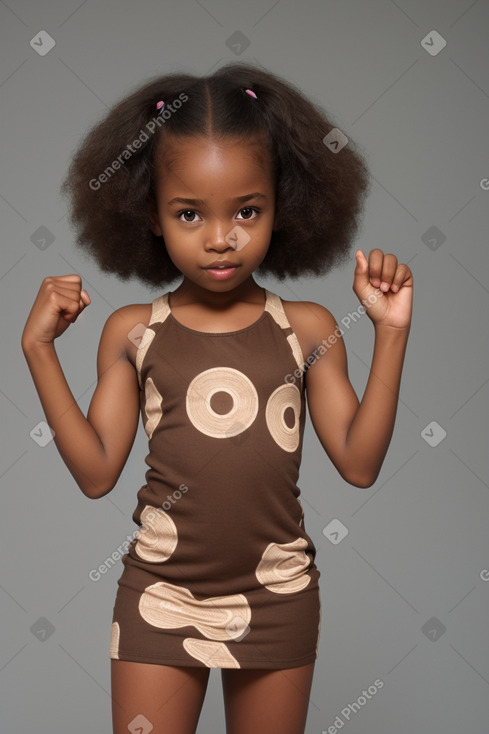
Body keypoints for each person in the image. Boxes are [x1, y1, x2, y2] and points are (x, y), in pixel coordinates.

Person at [21, 62, 413, 734]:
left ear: (282, 204)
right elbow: (94, 475)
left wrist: (391, 334)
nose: (220, 236)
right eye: (189, 213)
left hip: (277, 594)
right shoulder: (133, 333)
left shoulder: (308, 329)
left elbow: (358, 462)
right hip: (160, 595)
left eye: (246, 210)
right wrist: (38, 352)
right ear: (149, 213)